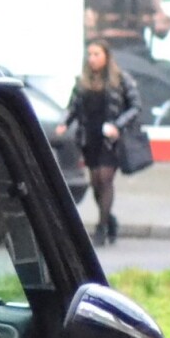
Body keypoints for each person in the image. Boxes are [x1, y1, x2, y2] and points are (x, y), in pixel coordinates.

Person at [57, 40, 141, 246]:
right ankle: (110, 220)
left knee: (105, 179)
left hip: (110, 138)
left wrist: (118, 125)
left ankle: (101, 228)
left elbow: (135, 106)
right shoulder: (82, 81)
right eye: (90, 54)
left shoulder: (121, 79)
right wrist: (64, 123)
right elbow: (73, 107)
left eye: (96, 54)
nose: (92, 58)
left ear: (106, 57)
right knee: (95, 181)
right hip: (89, 136)